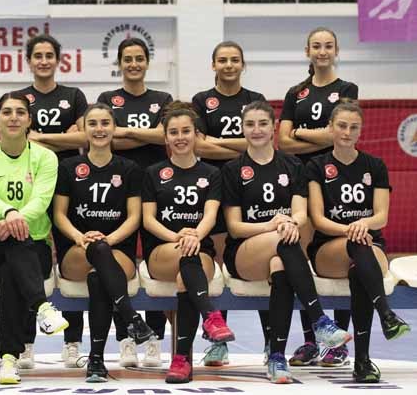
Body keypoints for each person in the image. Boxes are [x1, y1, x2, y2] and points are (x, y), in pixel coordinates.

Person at [221, 101, 352, 384]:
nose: (257, 130)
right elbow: (234, 227)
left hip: (282, 245)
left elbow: (301, 213)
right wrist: (273, 225)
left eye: (263, 124)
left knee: (281, 267)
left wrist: (291, 222)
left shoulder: (292, 165)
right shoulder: (232, 169)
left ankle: (277, 358)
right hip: (245, 254)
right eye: (250, 124)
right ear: (242, 128)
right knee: (285, 242)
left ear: (274, 127)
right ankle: (319, 320)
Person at [305, 101, 410, 383]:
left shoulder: (375, 165)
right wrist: (352, 229)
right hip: (329, 250)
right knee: (359, 246)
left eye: (354, 127)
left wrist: (364, 225)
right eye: (341, 125)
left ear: (361, 131)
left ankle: (362, 362)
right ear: (330, 127)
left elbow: (381, 217)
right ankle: (386, 315)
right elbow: (318, 219)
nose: (347, 132)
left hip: (368, 246)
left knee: (360, 269)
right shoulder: (316, 166)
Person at [0, 91, 68, 385]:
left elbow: (42, 199)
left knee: (11, 271)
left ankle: (9, 359)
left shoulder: (46, 157)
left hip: (34, 246)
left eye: (20, 112)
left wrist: (14, 220)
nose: (13, 118)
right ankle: (42, 307)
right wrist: (10, 214)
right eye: (7, 112)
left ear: (29, 120)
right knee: (12, 248)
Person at [52, 103, 156, 382]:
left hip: (116, 248)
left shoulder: (130, 169)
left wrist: (108, 240)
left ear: (114, 128)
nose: (99, 129)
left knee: (98, 276)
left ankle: (96, 361)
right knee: (96, 252)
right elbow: (59, 214)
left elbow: (134, 217)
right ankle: (131, 316)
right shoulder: (68, 167)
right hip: (76, 251)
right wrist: (79, 237)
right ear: (84, 129)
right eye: (93, 123)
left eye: (105, 123)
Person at [278, 27, 359, 367]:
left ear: (336, 50)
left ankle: (339, 342)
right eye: (316, 46)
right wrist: (320, 135)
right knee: (301, 257)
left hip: (336, 179)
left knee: (342, 258)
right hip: (301, 181)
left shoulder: (347, 90)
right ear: (307, 51)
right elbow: (284, 142)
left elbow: (339, 136)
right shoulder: (295, 92)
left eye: (328, 46)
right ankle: (311, 340)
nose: (322, 51)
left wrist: (301, 132)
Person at [139, 102, 234, 384]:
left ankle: (181, 361)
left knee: (187, 276)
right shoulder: (152, 173)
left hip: (199, 249)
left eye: (185, 131)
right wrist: (178, 236)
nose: (180, 137)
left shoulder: (212, 173)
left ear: (196, 135)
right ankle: (211, 316)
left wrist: (194, 236)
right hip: (162, 250)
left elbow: (210, 215)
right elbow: (148, 220)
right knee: (187, 256)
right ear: (165, 137)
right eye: (173, 132)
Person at [12, 34, 90, 368]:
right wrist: (63, 138)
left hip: (70, 184)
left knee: (73, 262)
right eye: (38, 55)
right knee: (27, 257)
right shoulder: (20, 99)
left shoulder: (73, 96)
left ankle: (72, 342)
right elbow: (17, 138)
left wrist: (40, 137)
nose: (43, 61)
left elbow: (84, 137)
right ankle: (26, 343)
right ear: (28, 60)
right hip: (29, 184)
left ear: (58, 60)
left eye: (49, 55)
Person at [95, 37, 173, 368]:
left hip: (158, 188)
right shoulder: (106, 99)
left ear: (147, 62)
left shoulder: (162, 99)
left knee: (156, 264)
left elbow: (164, 135)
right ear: (119, 63)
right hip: (119, 187)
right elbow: (107, 139)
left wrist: (125, 132)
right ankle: (125, 339)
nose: (134, 64)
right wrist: (145, 134)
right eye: (127, 59)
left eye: (139, 58)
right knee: (116, 261)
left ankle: (154, 339)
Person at [190, 41, 268, 366]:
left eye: (235, 59)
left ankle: (270, 343)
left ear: (242, 64)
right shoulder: (201, 100)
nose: (229, 65)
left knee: (263, 265)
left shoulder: (255, 99)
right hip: (213, 186)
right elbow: (199, 147)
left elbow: (261, 141)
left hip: (251, 185)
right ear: (213, 65)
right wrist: (242, 146)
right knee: (221, 265)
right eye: (222, 60)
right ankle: (218, 341)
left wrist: (217, 142)